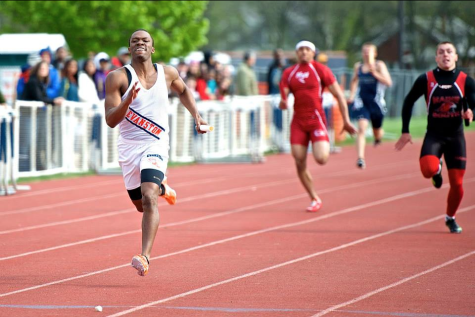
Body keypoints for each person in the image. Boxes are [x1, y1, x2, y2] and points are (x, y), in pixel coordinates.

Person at [104, 29, 208, 276]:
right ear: (129, 49)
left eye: (145, 40)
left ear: (153, 49)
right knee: (141, 205)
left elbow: (183, 91)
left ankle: (145, 256)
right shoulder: (116, 78)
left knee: (149, 197)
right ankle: (163, 187)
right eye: (135, 41)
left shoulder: (168, 73)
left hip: (156, 143)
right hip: (129, 147)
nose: (140, 43)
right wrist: (127, 101)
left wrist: (196, 115)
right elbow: (110, 120)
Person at [395, 41, 474, 234]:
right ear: (436, 57)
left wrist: (471, 113)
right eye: (441, 52)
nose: (445, 55)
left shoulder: (466, 81)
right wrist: (405, 130)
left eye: (449, 52)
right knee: (428, 170)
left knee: (457, 184)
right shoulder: (426, 79)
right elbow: (408, 101)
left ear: (455, 56)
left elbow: (473, 104)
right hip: (434, 135)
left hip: (455, 138)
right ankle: (437, 170)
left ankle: (450, 218)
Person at [279, 40, 357, 212]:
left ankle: (321, 144)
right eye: (300, 50)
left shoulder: (321, 70)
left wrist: (346, 120)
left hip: (316, 120)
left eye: (307, 49)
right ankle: (314, 197)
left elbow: (339, 95)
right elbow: (283, 95)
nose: (304, 52)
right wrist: (283, 102)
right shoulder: (289, 73)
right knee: (299, 160)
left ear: (313, 53)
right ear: (296, 53)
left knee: (321, 158)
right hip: (298, 121)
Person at [348, 43, 392, 169]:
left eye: (369, 51)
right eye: (364, 51)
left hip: (376, 103)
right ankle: (360, 158)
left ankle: (377, 138)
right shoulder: (358, 66)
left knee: (377, 131)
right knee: (361, 129)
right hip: (362, 102)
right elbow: (354, 80)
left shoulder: (379, 65)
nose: (366, 54)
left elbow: (388, 82)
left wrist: (375, 73)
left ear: (375, 53)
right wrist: (351, 95)